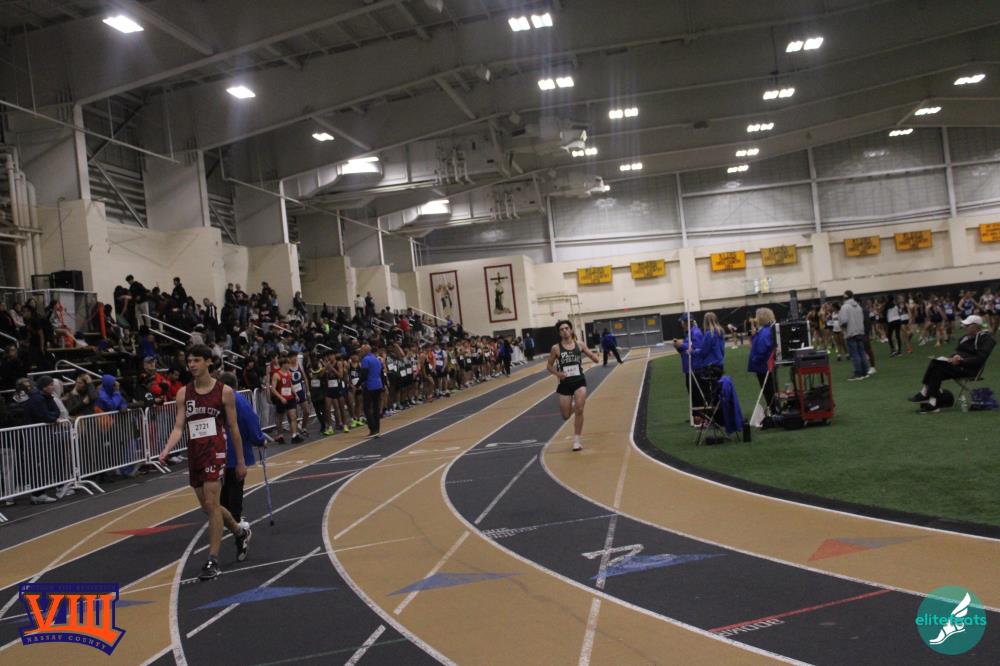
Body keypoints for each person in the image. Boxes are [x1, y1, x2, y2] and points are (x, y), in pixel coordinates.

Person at [158, 345, 249, 580]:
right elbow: (179, 426)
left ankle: (212, 559)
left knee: (212, 503)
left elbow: (234, 428)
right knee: (209, 507)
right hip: (195, 453)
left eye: (196, 360)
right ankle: (239, 531)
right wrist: (167, 449)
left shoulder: (224, 392)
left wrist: (240, 461)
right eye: (189, 361)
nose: (192, 365)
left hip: (215, 451)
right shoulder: (183, 393)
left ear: (209, 362)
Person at [908, 315, 995, 414]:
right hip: (958, 366)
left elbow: (980, 359)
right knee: (936, 365)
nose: (965, 327)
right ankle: (932, 403)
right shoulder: (964, 338)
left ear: (976, 326)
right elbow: (957, 351)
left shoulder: (986, 339)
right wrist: (953, 357)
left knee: (936, 365)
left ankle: (925, 395)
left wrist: (961, 360)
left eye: (967, 325)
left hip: (970, 369)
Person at [218, 372, 263, 562]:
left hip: (231, 456)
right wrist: (259, 439)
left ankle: (236, 528)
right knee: (226, 496)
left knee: (229, 495)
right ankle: (235, 525)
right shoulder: (235, 401)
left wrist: (258, 439)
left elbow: (249, 422)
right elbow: (252, 422)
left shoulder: (236, 402)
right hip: (225, 455)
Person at [547, 320, 600, 452]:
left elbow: (590, 354)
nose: (564, 331)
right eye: (561, 329)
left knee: (580, 409)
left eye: (566, 328)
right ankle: (573, 405)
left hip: (579, 381)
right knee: (565, 415)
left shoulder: (579, 344)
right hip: (564, 384)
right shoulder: (556, 348)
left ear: (571, 330)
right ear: (559, 333)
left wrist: (595, 357)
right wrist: (558, 374)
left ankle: (577, 440)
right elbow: (549, 366)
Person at [748, 307, 777, 411]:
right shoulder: (766, 330)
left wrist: (755, 359)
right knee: (769, 388)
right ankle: (773, 408)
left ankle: (773, 409)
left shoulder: (764, 332)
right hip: (764, 365)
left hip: (763, 366)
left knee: (767, 389)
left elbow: (761, 349)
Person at [839, 290, 870, 381]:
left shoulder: (845, 307)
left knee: (854, 354)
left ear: (844, 297)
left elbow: (844, 321)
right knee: (862, 352)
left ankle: (858, 373)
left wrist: (843, 329)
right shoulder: (858, 306)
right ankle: (865, 372)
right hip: (860, 331)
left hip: (851, 332)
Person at [672, 313, 703, 395]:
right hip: (690, 368)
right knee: (693, 394)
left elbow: (696, 350)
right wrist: (678, 346)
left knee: (696, 395)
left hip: (695, 369)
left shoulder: (695, 333)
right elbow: (685, 351)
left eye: (682, 322)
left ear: (685, 322)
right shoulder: (689, 333)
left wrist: (681, 345)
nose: (681, 324)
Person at [359, 342, 384, 437]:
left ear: (365, 351)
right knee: (376, 407)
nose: (360, 352)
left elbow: (364, 374)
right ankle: (377, 429)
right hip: (378, 385)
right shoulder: (376, 359)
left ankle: (372, 429)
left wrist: (357, 385)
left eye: (361, 350)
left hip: (369, 386)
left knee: (366, 408)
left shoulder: (365, 360)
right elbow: (381, 372)